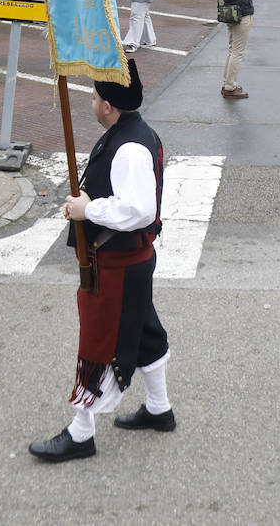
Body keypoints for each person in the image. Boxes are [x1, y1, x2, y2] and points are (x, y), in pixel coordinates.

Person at [29, 59, 173, 463]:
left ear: (109, 105)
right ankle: (160, 410)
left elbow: (141, 210)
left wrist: (87, 210)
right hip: (130, 261)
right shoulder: (127, 132)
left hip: (118, 265)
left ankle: (80, 433)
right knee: (144, 332)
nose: (91, 103)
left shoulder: (128, 146)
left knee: (100, 341)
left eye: (93, 97)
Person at [217, 0, 258, 99]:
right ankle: (229, 87)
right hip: (241, 14)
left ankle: (227, 83)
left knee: (232, 50)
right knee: (237, 52)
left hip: (233, 13)